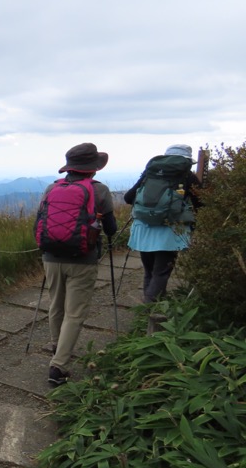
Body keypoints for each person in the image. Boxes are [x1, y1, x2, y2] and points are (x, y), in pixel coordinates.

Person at [37, 143, 117, 385]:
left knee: (55, 305)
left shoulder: (52, 188)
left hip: (51, 257)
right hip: (83, 260)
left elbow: (38, 223)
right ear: (93, 169)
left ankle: (56, 345)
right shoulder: (99, 191)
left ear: (69, 167)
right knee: (75, 313)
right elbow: (112, 230)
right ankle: (59, 367)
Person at [123, 144, 201, 303]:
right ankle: (151, 309)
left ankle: (151, 306)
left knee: (149, 271)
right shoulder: (188, 177)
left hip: (144, 228)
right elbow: (201, 203)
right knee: (161, 272)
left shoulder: (150, 174)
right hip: (170, 230)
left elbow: (128, 197)